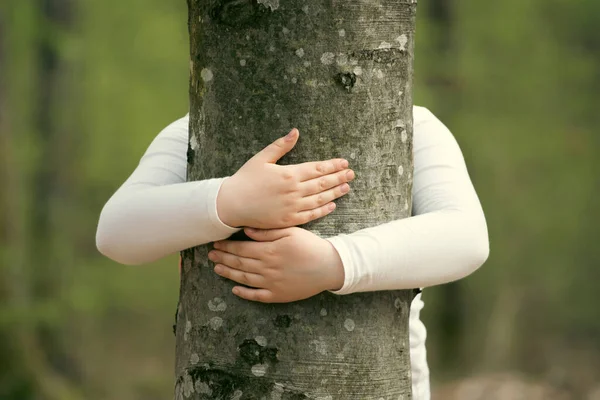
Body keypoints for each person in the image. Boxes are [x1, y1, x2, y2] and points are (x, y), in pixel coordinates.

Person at [96, 106, 489, 399]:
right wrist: (230, 200)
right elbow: (115, 233)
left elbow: (467, 236)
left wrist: (333, 263)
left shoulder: (408, 123)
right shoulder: (196, 129)